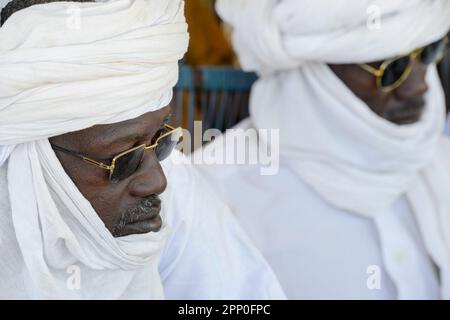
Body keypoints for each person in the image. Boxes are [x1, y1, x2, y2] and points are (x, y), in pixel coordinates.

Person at [0, 0, 285, 299]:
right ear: (32, 154)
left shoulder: (177, 187)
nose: (157, 181)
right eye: (123, 159)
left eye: (161, 139)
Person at [196, 0, 450, 299]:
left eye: (428, 53)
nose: (417, 86)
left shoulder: (440, 159)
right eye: (391, 69)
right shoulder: (213, 193)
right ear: (315, 71)